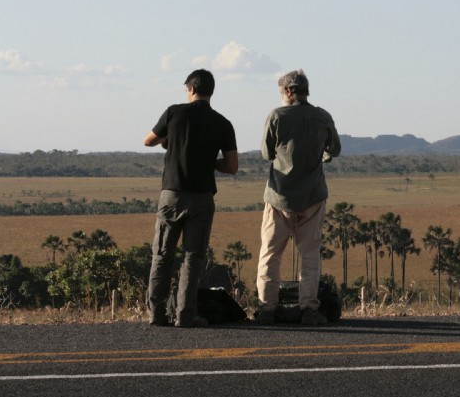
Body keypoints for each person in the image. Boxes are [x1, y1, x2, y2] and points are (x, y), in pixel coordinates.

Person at [144, 69, 238, 328]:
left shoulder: (174, 112)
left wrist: (171, 142)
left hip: (172, 195)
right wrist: (208, 160)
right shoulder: (222, 123)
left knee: (162, 254)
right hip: (202, 198)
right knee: (193, 257)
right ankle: (186, 314)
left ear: (192, 88)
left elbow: (148, 141)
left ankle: (156, 313)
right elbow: (232, 166)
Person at [256, 69, 341, 326]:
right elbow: (334, 149)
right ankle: (309, 309)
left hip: (279, 196)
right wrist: (320, 156)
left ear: (288, 91)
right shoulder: (322, 116)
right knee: (310, 255)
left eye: (282, 92)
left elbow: (265, 153)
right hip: (313, 196)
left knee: (270, 253)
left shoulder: (276, 116)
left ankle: (266, 309)